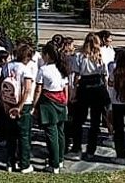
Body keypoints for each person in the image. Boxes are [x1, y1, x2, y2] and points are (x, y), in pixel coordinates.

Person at [68, 33, 109, 161]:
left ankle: (77, 148)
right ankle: (91, 150)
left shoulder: (80, 56)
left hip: (84, 86)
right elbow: (104, 74)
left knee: (79, 120)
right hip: (97, 85)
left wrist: (73, 92)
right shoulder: (101, 54)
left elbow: (76, 76)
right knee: (95, 121)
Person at [33, 43, 69, 174]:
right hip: (61, 100)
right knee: (60, 132)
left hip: (48, 101)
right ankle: (60, 160)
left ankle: (54, 165)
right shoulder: (62, 68)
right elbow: (66, 87)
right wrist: (66, 102)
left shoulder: (43, 69)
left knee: (51, 133)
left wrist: (33, 105)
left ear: (47, 55)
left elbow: (38, 89)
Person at [1, 44, 37, 173]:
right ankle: (24, 164)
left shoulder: (7, 66)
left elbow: (1, 85)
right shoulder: (25, 69)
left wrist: (5, 104)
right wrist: (20, 107)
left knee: (11, 135)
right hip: (24, 104)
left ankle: (10, 162)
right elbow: (27, 89)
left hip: (9, 102)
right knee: (24, 135)